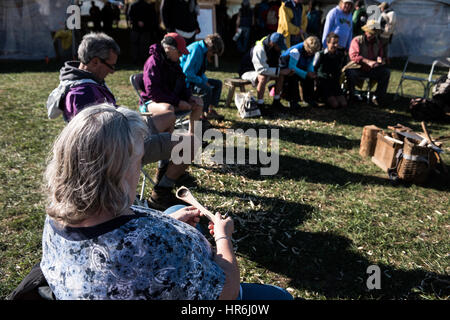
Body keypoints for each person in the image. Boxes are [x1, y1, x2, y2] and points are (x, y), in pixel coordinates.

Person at [40, 103, 294, 300]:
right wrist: (223, 238)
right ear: (117, 171)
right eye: (138, 160)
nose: (139, 169)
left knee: (175, 208)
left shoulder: (55, 218)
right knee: (280, 296)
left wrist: (168, 221)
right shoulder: (157, 242)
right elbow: (225, 292)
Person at [46, 32, 192, 210]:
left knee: (167, 116)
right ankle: (162, 192)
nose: (113, 71)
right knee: (189, 143)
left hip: (124, 135)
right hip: (121, 151)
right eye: (111, 65)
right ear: (95, 62)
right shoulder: (83, 94)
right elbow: (98, 144)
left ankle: (163, 170)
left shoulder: (88, 81)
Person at [239, 32, 291, 113]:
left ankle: (276, 101)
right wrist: (280, 71)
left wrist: (285, 70)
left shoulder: (274, 47)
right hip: (247, 70)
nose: (281, 49)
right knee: (263, 77)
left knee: (281, 75)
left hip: (261, 68)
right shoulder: (259, 49)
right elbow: (261, 70)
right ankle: (260, 105)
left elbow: (275, 65)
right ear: (272, 43)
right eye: (279, 46)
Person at [180, 33, 225, 121]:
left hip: (194, 78)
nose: (212, 55)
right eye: (213, 53)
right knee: (207, 89)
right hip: (185, 82)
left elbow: (199, 71)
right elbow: (187, 72)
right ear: (210, 47)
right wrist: (202, 81)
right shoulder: (196, 50)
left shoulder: (203, 50)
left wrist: (204, 80)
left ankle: (209, 111)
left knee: (218, 84)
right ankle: (201, 116)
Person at [346, 19, 391, 106]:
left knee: (386, 72)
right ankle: (351, 96)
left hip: (371, 69)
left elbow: (380, 56)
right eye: (370, 32)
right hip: (357, 67)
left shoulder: (378, 43)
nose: (372, 35)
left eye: (374, 33)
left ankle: (378, 97)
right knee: (350, 73)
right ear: (366, 31)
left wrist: (380, 59)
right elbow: (353, 56)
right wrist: (367, 61)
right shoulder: (357, 40)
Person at [279, 35, 321, 109]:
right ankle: (293, 100)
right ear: (307, 47)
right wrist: (306, 74)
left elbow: (310, 63)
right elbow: (292, 67)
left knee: (310, 77)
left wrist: (311, 72)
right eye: (311, 51)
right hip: (288, 69)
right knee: (293, 77)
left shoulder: (312, 52)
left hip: (299, 66)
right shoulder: (296, 51)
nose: (312, 53)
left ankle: (309, 99)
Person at [313, 32, 347, 108]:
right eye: (333, 43)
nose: (336, 45)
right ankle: (321, 97)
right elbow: (314, 68)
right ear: (327, 43)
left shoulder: (339, 55)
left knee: (343, 104)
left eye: (337, 43)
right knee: (335, 105)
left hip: (334, 82)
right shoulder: (320, 54)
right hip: (324, 82)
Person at [128, 0, 159, 65]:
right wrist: (145, 23)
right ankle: (143, 60)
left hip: (136, 28)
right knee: (144, 45)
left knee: (135, 45)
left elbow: (130, 16)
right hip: (145, 29)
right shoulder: (148, 6)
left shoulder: (133, 5)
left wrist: (136, 22)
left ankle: (135, 60)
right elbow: (152, 17)